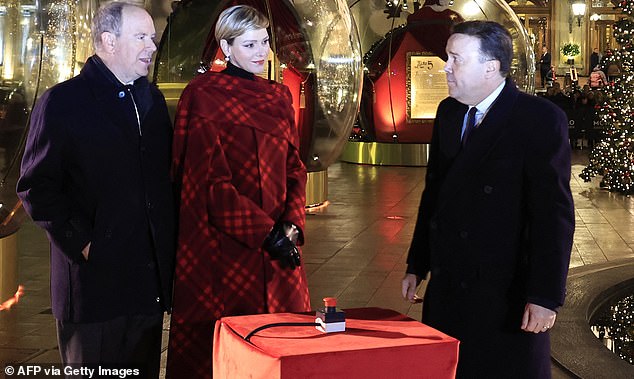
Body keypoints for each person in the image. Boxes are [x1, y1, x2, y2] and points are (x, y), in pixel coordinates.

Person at [401, 21, 574, 378]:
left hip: (504, 293)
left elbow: (552, 216)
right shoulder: (449, 112)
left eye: (455, 58)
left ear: (491, 67)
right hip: (449, 285)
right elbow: (434, 194)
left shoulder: (540, 119)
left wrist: (545, 297)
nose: (445, 66)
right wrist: (417, 263)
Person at [16, 2, 175, 377]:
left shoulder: (150, 101)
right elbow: (36, 187)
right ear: (108, 40)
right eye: (141, 37)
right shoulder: (63, 102)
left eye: (152, 38)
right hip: (93, 290)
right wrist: (85, 243)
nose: (152, 47)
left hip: (146, 287)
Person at [167, 5, 310, 378]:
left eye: (264, 42)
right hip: (225, 248)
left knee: (284, 341)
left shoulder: (279, 96)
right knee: (225, 349)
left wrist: (292, 224)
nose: (262, 52)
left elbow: (295, 167)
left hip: (279, 243)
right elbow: (206, 182)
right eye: (250, 45)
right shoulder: (202, 95)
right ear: (226, 48)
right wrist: (266, 234)